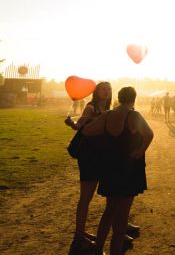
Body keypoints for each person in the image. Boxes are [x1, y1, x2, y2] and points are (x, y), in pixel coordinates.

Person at [82, 86, 153, 255]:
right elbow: (149, 134)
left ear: (119, 98)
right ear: (133, 99)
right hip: (128, 167)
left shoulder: (108, 115)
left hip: (110, 166)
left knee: (109, 211)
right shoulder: (133, 115)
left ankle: (98, 247)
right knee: (123, 215)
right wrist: (139, 151)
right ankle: (115, 250)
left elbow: (87, 131)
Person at [64, 81, 113, 253]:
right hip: (89, 156)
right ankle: (78, 237)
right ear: (96, 92)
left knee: (100, 196)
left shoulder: (107, 110)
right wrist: (72, 123)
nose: (106, 91)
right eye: (103, 89)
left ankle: (82, 233)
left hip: (100, 156)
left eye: (108, 89)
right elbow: (79, 125)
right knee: (85, 197)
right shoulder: (91, 108)